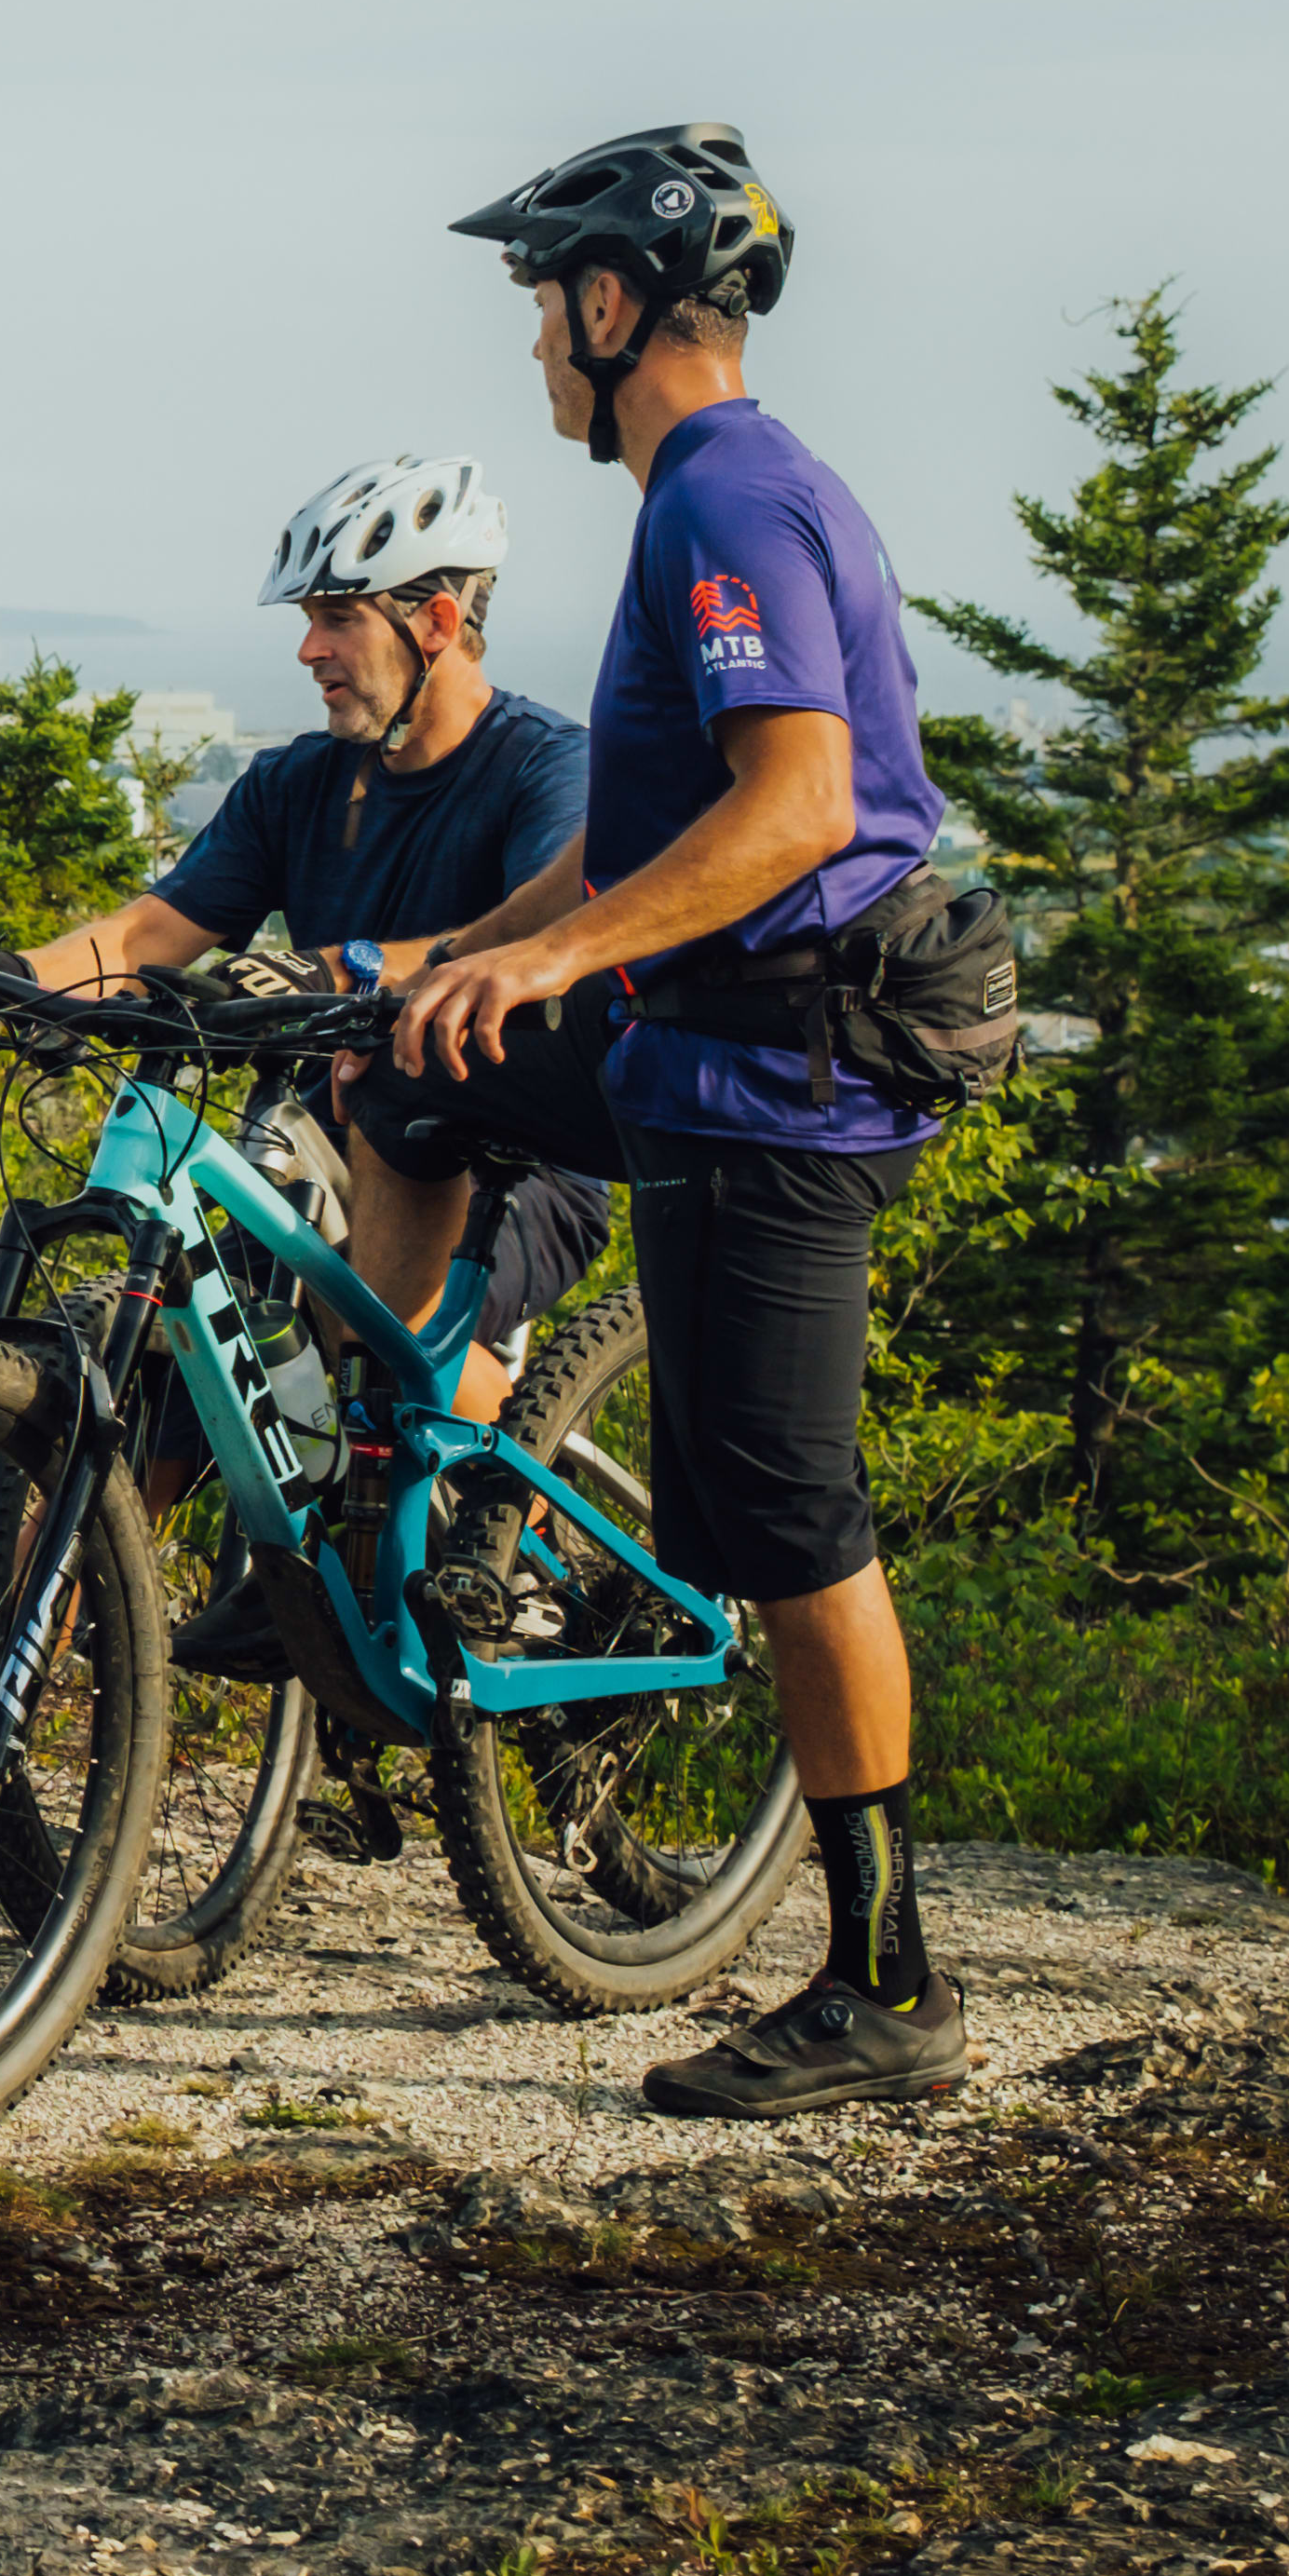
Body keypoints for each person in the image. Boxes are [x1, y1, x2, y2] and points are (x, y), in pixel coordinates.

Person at [0, 455, 617, 1873]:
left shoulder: (541, 765)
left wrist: (364, 965)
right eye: (308, 618)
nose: (308, 647)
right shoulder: (301, 785)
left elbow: (533, 929)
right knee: (119, 1382)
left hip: (505, 1146)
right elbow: (148, 934)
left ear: (437, 617)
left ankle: (504, 1567)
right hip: (327, 1137)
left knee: (345, 1285)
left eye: (337, 615)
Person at [397, 123, 968, 2119]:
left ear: (610, 302)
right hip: (690, 1041)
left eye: (540, 308)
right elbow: (640, 841)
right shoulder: (711, 494)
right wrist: (449, 959)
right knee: (401, 1070)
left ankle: (883, 1984)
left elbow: (792, 808)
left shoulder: (722, 497)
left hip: (765, 1081)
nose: (531, 352)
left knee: (786, 1522)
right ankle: (420, 1461)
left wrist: (548, 974)